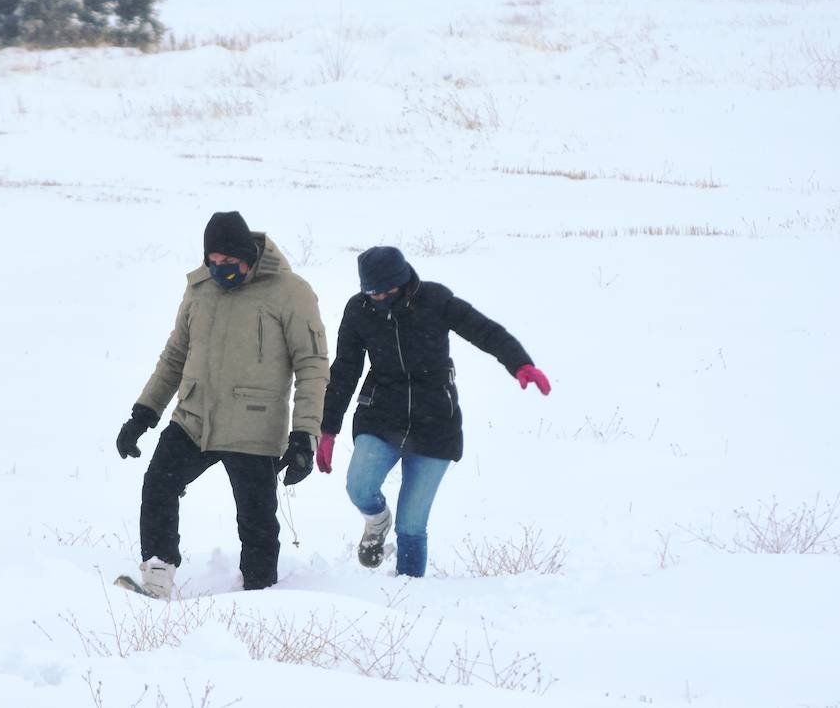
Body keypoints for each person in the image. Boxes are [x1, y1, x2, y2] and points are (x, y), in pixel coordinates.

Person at [115, 211, 329, 598]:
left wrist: (304, 436)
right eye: (211, 263)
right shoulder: (200, 289)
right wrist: (143, 414)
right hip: (194, 417)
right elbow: (174, 356)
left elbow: (312, 366)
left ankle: (261, 596)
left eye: (228, 264)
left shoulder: (290, 292)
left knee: (256, 521)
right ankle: (157, 579)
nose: (218, 271)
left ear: (248, 255)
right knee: (158, 485)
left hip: (254, 424)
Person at [315, 245, 550, 578]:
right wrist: (328, 429)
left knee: (412, 524)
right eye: (372, 292)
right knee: (359, 487)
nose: (379, 298)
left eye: (386, 291)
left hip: (435, 422)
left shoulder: (435, 300)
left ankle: (408, 600)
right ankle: (377, 521)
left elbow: (485, 331)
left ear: (404, 282)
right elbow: (346, 369)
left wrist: (519, 362)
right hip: (381, 413)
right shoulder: (359, 310)